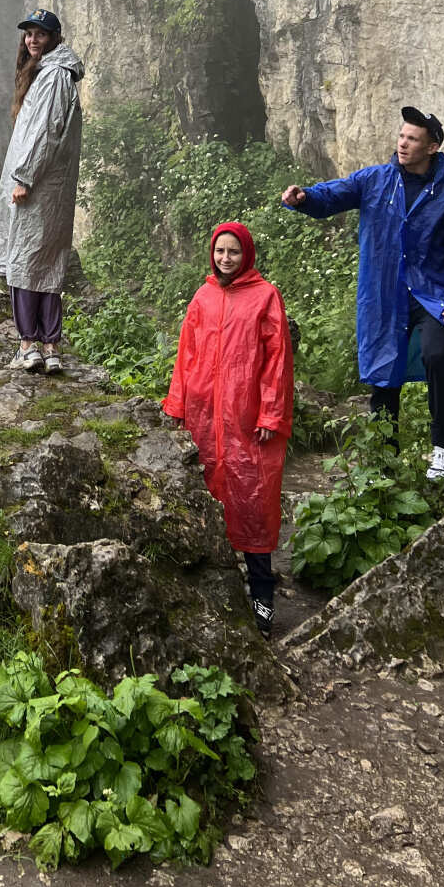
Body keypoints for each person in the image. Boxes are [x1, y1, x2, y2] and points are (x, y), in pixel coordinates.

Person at [281, 105, 444, 483]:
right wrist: (305, 198)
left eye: (413, 139)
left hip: (432, 295)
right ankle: (384, 461)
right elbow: (335, 193)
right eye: (402, 136)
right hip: (384, 294)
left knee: (437, 354)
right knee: (384, 376)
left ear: (432, 147)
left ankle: (443, 451)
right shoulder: (376, 181)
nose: (403, 144)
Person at [163, 222, 293, 636]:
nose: (225, 258)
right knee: (209, 502)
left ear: (247, 255)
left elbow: (277, 361)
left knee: (254, 507)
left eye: (233, 252)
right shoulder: (202, 297)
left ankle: (263, 596)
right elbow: (187, 353)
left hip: (248, 421)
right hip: (203, 417)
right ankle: (217, 591)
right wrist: (178, 406)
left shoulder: (265, 297)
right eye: (220, 251)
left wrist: (271, 415)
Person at [0, 9, 84, 375]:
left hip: (37, 184)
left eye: (41, 34)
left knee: (26, 262)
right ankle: (50, 347)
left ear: (55, 37)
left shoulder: (53, 77)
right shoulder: (50, 73)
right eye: (29, 34)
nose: (33, 40)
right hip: (48, 184)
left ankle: (30, 345)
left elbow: (46, 132)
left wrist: (25, 178)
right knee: (45, 264)